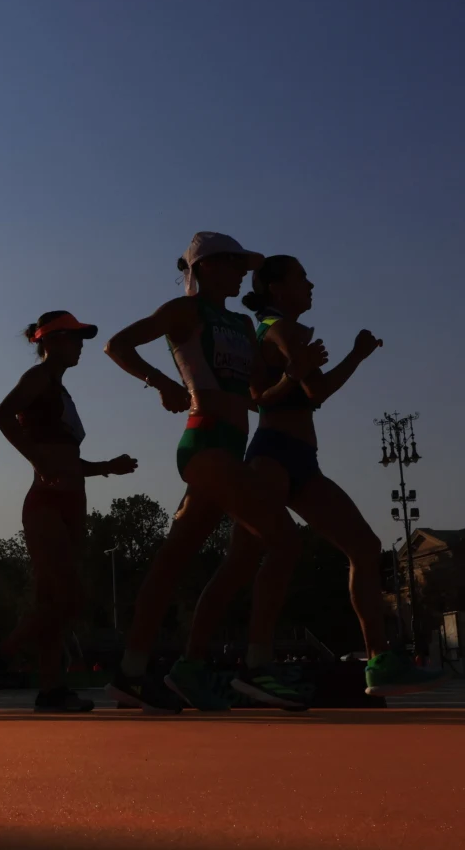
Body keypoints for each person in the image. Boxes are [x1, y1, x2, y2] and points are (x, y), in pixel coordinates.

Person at [177, 256, 445, 703]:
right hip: (274, 457)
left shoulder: (268, 327)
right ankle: (234, 663)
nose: (311, 283)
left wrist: (320, 368)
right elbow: (313, 392)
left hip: (299, 459)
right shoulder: (282, 329)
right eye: (302, 277)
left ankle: (379, 660)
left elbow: (276, 393)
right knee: (245, 562)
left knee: (363, 546)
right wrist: (356, 356)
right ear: (278, 288)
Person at [102, 232, 308, 713]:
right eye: (235, 264)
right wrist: (160, 383)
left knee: (173, 561)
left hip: (229, 451)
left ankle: (133, 674)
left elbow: (259, 390)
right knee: (284, 540)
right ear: (207, 267)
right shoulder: (185, 311)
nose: (242, 274)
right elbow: (118, 344)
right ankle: (257, 667)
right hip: (205, 444)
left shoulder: (237, 320)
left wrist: (294, 371)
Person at [0, 312, 138, 712]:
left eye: (81, 338)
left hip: (73, 501)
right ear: (48, 341)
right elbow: (0, 416)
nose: (80, 345)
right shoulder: (38, 379)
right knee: (69, 597)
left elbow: (67, 458)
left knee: (52, 602)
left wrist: (105, 468)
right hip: (46, 503)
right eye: (73, 338)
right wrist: (39, 462)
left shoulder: (62, 392)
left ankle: (51, 690)